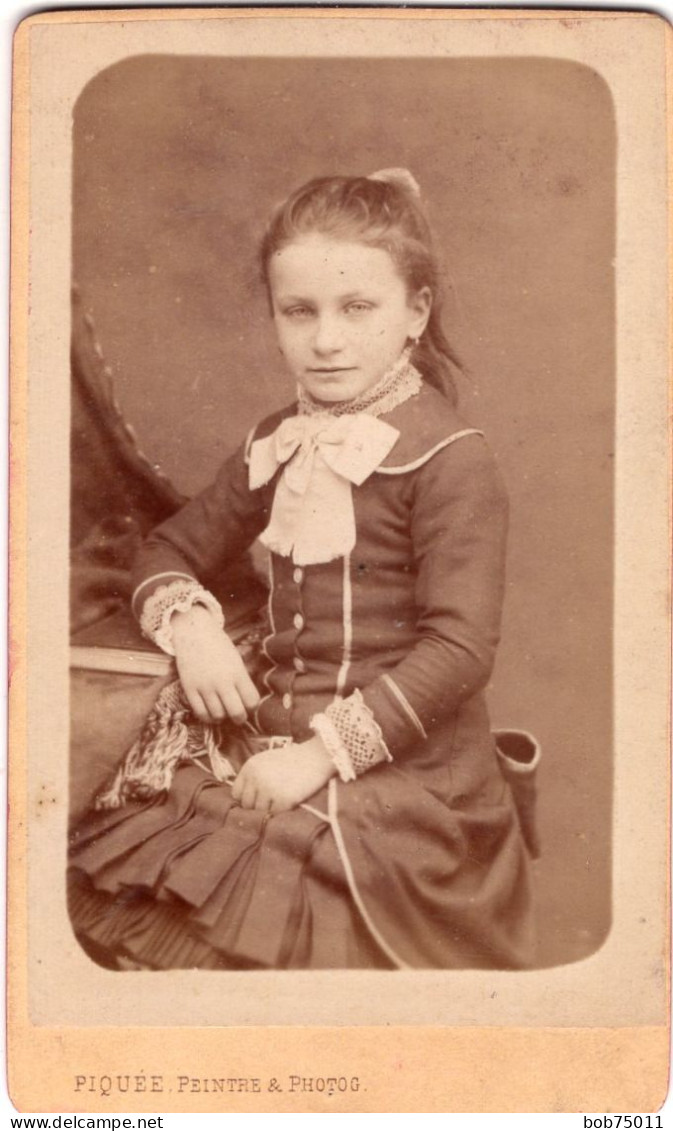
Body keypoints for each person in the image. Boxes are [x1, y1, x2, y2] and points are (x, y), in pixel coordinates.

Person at [68, 169, 540, 972]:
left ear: (414, 314)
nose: (326, 340)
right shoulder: (280, 437)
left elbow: (458, 651)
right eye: (300, 311)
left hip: (408, 780)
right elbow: (169, 548)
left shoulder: (451, 462)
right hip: (266, 750)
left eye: (358, 308)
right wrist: (193, 630)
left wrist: (317, 756)